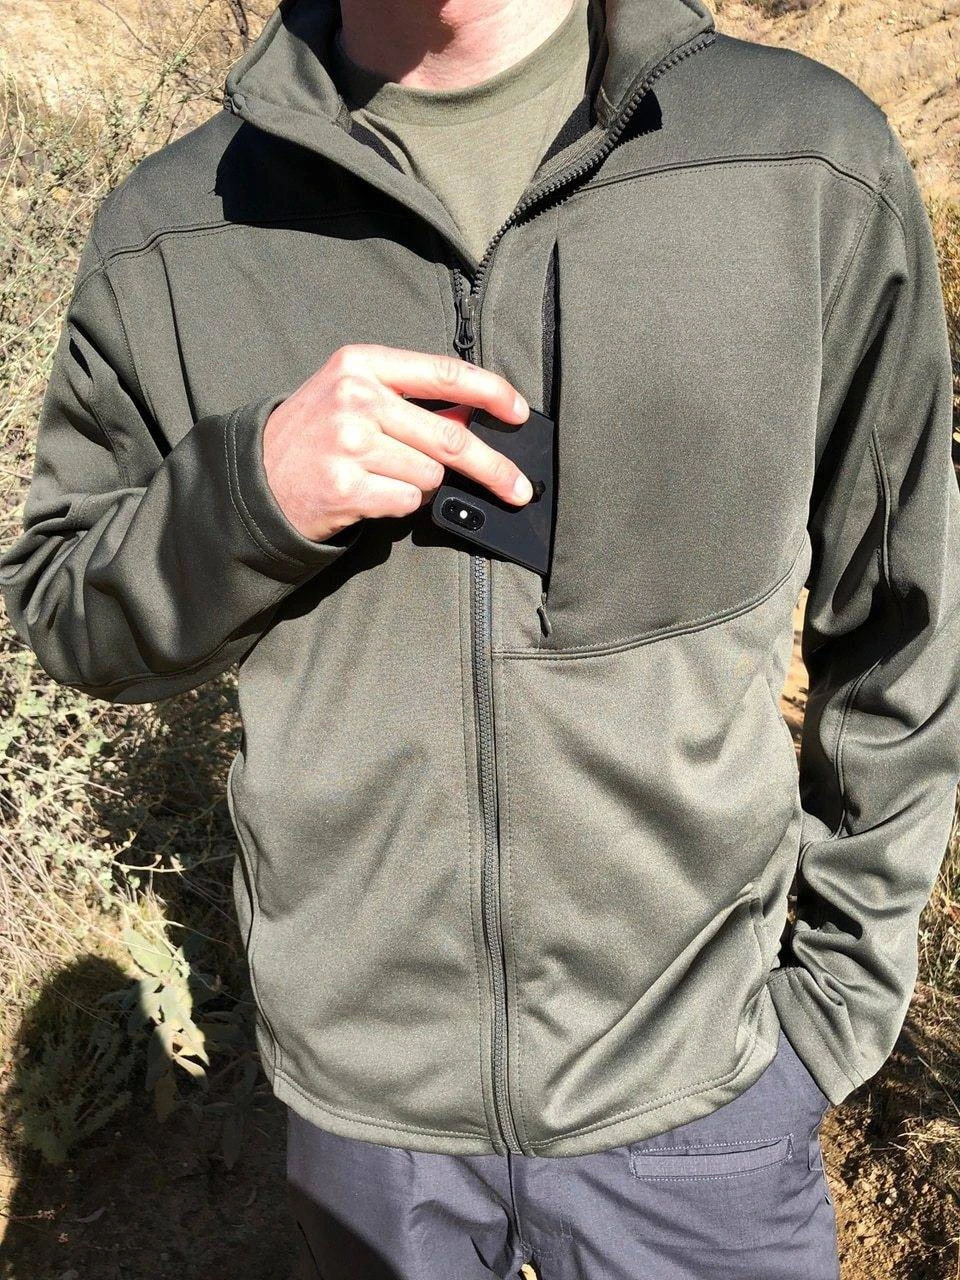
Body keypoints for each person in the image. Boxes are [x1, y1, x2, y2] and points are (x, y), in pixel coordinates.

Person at [2, 0, 959, 1274]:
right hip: (361, 1123)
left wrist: (830, 1012)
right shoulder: (174, 230)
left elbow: (902, 622)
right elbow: (67, 610)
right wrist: (247, 496)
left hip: (704, 1094)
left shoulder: (802, 159)